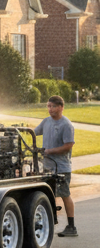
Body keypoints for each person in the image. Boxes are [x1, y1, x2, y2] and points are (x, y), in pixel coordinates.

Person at [35, 95, 76, 236]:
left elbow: (68, 145)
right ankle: (48, 224)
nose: (50, 109)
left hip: (61, 167)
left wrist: (49, 151)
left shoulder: (66, 125)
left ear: (61, 107)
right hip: (47, 167)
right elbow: (34, 133)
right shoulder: (46, 122)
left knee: (65, 195)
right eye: (48, 106)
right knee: (47, 195)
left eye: (52, 106)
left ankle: (72, 227)